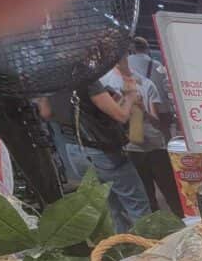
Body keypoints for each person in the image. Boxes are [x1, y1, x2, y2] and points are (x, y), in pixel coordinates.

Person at [37, 74, 151, 232]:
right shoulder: (86, 79)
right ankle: (148, 247)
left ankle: (123, 247)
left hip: (74, 150)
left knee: (109, 207)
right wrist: (130, 97)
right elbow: (121, 115)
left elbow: (46, 113)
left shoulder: (51, 79)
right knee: (136, 204)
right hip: (101, 151)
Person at [103, 56, 184, 217]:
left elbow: (157, 122)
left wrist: (143, 110)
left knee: (171, 192)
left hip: (155, 146)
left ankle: (181, 222)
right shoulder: (106, 84)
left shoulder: (146, 84)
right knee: (146, 197)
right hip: (131, 148)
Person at [128, 36, 173, 140]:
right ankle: (166, 153)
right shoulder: (157, 65)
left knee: (136, 137)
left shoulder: (127, 63)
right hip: (159, 108)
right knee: (164, 134)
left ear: (132, 49)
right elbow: (166, 87)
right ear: (147, 49)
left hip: (135, 105)